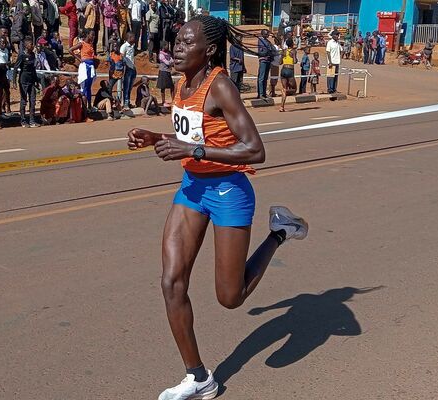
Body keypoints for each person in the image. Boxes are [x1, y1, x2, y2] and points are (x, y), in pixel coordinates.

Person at [126, 15, 308, 400]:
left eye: (186, 42)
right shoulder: (182, 83)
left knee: (231, 297)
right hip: (192, 187)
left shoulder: (220, 85)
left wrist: (192, 150)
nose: (177, 47)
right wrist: (156, 137)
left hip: (229, 190)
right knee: (171, 283)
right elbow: (194, 135)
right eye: (176, 40)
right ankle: (199, 378)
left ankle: (280, 232)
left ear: (208, 50)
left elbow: (255, 150)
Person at [13, 37, 40, 127]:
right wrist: (14, 81)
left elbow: (33, 69)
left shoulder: (32, 54)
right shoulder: (22, 55)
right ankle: (23, 121)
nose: (32, 46)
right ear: (26, 45)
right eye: (31, 44)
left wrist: (36, 80)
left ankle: (32, 121)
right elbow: (16, 68)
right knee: (24, 101)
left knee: (33, 100)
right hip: (23, 80)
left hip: (31, 80)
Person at [69, 28, 97, 110]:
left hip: (91, 67)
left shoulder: (91, 44)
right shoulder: (82, 43)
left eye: (94, 35)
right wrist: (79, 59)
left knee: (89, 87)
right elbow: (70, 50)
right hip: (85, 67)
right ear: (88, 34)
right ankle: (83, 107)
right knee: (84, 87)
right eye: (92, 35)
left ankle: (89, 106)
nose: (93, 37)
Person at [0, 35, 12, 117]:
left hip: (6, 71)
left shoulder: (7, 50)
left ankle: (8, 108)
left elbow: (7, 60)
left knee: (7, 91)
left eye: (5, 43)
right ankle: (0, 110)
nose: (3, 44)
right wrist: (5, 64)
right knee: (0, 91)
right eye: (2, 42)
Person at [278, 38, 296, 112]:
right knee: (294, 89)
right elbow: (294, 61)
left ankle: (282, 106)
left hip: (283, 69)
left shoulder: (283, 51)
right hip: (290, 70)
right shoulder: (293, 51)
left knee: (284, 88)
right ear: (292, 44)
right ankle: (285, 92)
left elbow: (280, 62)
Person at [120, 31, 137, 109]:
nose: (134, 38)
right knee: (126, 86)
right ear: (129, 38)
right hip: (127, 68)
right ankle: (125, 103)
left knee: (130, 86)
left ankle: (128, 101)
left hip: (132, 68)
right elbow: (122, 57)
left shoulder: (132, 46)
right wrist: (127, 65)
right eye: (133, 37)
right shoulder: (124, 46)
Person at [256, 28, 273, 99]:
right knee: (261, 78)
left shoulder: (267, 41)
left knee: (265, 78)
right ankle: (261, 94)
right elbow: (261, 51)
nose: (267, 35)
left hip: (268, 60)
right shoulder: (261, 41)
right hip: (263, 61)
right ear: (263, 34)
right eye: (266, 34)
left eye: (268, 34)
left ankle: (264, 93)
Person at [157, 41, 174, 107]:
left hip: (168, 72)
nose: (168, 46)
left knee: (171, 87)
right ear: (163, 46)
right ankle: (163, 101)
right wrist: (171, 61)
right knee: (163, 87)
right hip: (163, 72)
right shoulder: (161, 55)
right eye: (167, 45)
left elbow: (172, 61)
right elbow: (168, 62)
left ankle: (173, 100)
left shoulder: (168, 53)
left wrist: (171, 61)